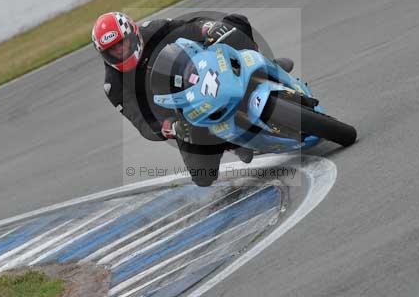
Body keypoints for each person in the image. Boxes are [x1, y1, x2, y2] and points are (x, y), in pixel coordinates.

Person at [91, 11, 293, 186]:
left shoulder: (153, 29)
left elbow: (188, 27)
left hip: (204, 72)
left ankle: (266, 66)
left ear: (133, 34)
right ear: (104, 54)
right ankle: (233, 143)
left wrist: (208, 28)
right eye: (112, 50)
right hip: (182, 112)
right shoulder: (113, 86)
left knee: (235, 22)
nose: (120, 51)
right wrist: (168, 126)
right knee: (203, 177)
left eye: (122, 43)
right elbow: (141, 122)